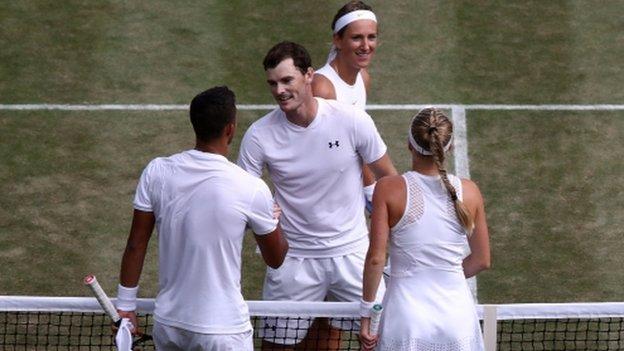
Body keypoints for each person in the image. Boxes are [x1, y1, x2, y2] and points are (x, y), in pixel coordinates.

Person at [237, 41, 398, 350]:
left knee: (388, 337)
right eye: (273, 83)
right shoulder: (259, 135)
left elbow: (390, 179)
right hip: (293, 261)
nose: (279, 90)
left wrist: (382, 228)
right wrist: (260, 212)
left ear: (309, 75)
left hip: (352, 255)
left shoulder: (351, 120)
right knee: (275, 347)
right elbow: (242, 195)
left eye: (287, 80)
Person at [115, 86, 288, 351]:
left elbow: (135, 244)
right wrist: (273, 221)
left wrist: (126, 305)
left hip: (171, 325)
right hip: (224, 331)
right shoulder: (251, 188)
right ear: (230, 129)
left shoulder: (157, 172)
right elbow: (276, 259)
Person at [359, 107, 491, 351]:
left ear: (409, 144)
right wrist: (441, 274)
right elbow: (482, 260)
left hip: (407, 319)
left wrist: (367, 314)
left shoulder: (388, 189)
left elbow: (377, 259)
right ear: (448, 147)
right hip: (457, 319)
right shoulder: (470, 191)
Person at [312, 0, 379, 212]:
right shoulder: (322, 88)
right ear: (338, 40)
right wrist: (370, 189)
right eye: (356, 38)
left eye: (371, 37)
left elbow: (357, 141)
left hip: (342, 190)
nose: (366, 46)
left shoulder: (364, 78)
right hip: (316, 198)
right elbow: (321, 152)